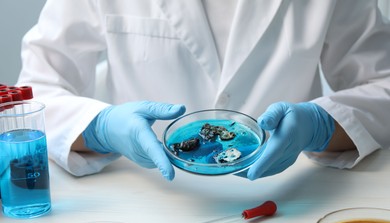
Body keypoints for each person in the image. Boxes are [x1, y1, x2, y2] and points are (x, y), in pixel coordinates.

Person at [16, 0, 390, 181]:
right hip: (140, 194)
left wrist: (323, 124)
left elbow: (383, 84)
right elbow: (33, 94)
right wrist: (100, 127)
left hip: (285, 191)